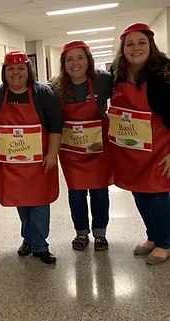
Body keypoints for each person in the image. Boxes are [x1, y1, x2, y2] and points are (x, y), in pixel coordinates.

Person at [0, 51, 63, 264]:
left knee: (39, 202)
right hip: (12, 163)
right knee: (21, 201)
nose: (16, 73)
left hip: (39, 161)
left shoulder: (42, 93)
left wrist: (52, 154)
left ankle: (40, 245)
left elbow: (56, 124)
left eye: (21, 68)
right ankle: (28, 239)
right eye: (11, 68)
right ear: (4, 72)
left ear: (28, 70)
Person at [110, 23, 170, 265]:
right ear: (123, 48)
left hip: (158, 149)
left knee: (157, 195)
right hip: (132, 150)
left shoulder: (164, 74)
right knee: (139, 194)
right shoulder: (119, 74)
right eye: (130, 44)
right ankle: (153, 236)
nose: (136, 48)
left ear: (151, 45)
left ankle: (165, 243)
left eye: (141, 42)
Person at [49, 41, 113, 251]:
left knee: (100, 192)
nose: (75, 63)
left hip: (97, 148)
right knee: (76, 193)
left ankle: (100, 233)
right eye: (69, 59)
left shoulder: (103, 80)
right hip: (71, 150)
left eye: (80, 58)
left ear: (88, 60)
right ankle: (81, 233)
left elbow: (128, 90)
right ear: (63, 63)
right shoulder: (54, 87)